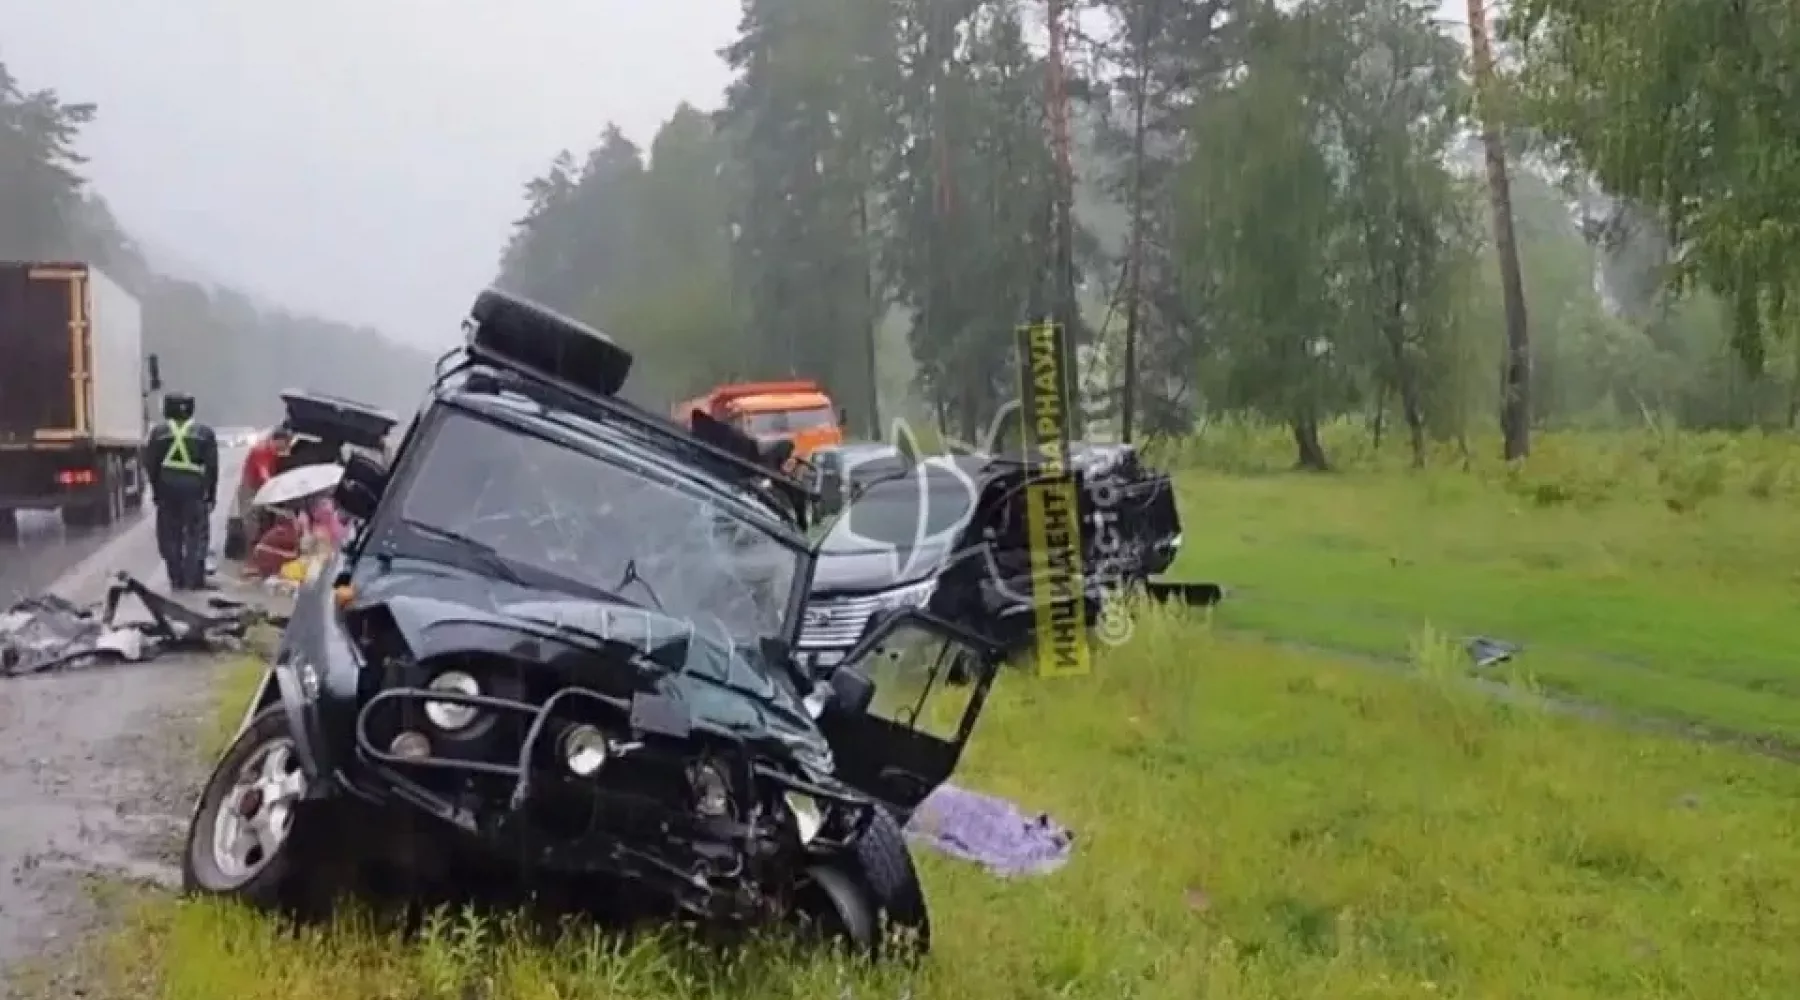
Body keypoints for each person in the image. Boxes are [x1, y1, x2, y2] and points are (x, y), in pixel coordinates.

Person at [142, 392, 220, 590]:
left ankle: (175, 577)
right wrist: (211, 494)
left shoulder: (158, 433)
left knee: (169, 535)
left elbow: (151, 464)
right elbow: (212, 467)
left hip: (167, 488)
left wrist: (156, 491)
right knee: (197, 534)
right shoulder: (204, 432)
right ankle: (193, 578)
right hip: (194, 488)